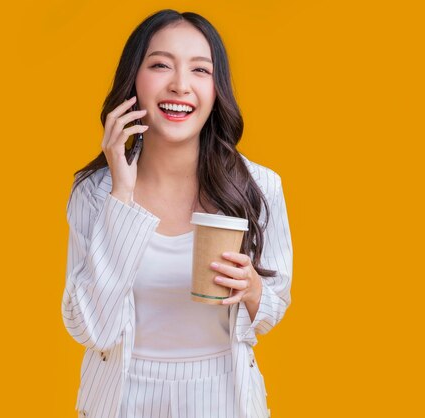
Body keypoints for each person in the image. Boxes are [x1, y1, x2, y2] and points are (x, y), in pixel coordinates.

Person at [62, 9, 293, 418]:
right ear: (134, 78)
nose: (180, 85)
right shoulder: (94, 193)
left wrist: (253, 289)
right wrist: (121, 194)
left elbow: (273, 309)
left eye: (200, 70)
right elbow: (90, 329)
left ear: (216, 88)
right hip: (119, 399)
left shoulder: (258, 186)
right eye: (160, 65)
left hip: (223, 397)